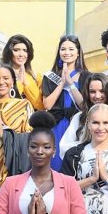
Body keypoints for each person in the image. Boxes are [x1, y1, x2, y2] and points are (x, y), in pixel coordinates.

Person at [41, 35, 88, 170]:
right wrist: (62, 82)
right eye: (63, 49)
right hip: (56, 125)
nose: (67, 52)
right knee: (54, 164)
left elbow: (84, 105)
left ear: (78, 52)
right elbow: (47, 105)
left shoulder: (86, 76)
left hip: (78, 125)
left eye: (71, 49)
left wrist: (71, 82)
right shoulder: (50, 76)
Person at [60, 73, 108, 156]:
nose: (97, 96)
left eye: (102, 91)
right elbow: (64, 147)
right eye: (92, 92)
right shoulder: (79, 117)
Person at [2, 34, 43, 111]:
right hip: (9, 119)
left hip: (31, 121)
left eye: (25, 51)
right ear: (9, 52)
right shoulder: (2, 74)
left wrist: (26, 85)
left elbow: (41, 106)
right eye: (16, 50)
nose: (21, 54)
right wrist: (19, 83)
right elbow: (4, 103)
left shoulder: (35, 76)